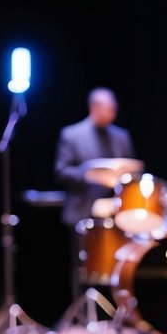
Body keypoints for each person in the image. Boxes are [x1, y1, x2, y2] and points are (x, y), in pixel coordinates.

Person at [54, 87, 135, 297]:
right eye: (109, 109)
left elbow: (132, 171)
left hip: (116, 211)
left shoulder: (121, 137)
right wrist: (88, 175)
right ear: (95, 108)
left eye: (114, 109)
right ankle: (83, 315)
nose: (112, 113)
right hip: (83, 209)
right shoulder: (72, 135)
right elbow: (61, 171)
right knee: (82, 266)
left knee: (119, 263)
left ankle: (117, 313)